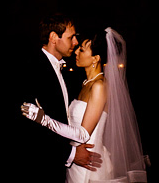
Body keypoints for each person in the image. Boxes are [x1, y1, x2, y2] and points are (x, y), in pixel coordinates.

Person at [22, 26, 147, 182]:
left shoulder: (99, 87)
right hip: (76, 162)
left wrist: (44, 120)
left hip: (90, 163)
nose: (75, 52)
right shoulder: (85, 84)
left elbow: (83, 134)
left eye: (81, 50)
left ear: (95, 58)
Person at [15, 13, 103, 182]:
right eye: (71, 37)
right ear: (54, 37)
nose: (76, 43)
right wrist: (70, 153)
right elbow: (27, 126)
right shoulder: (30, 68)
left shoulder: (73, 77)